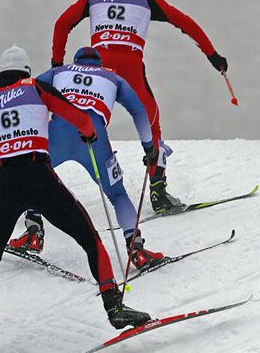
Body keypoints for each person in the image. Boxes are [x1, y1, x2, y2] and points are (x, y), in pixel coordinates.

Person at [0, 45, 151, 353]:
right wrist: (88, 134)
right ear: (26, 71)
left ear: (0, 72)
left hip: (3, 183)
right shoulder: (36, 88)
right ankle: (114, 307)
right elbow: (79, 119)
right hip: (40, 177)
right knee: (89, 239)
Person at [51, 0, 228, 213]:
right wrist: (213, 56)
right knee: (150, 122)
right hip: (131, 69)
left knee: (80, 119)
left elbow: (62, 23)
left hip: (100, 69)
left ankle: (33, 181)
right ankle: (158, 192)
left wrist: (58, 65)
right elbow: (185, 23)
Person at [9, 46, 165, 270]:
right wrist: (149, 147)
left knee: (34, 179)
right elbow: (139, 110)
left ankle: (33, 233)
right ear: (99, 65)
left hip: (58, 133)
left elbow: (28, 91)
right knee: (117, 194)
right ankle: (136, 248)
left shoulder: (60, 71)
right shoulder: (113, 76)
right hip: (93, 138)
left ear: (76, 61)